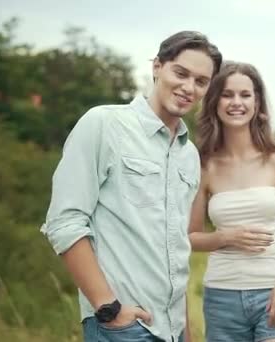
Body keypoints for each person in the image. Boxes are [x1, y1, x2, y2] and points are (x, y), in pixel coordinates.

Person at [40, 31, 222, 342]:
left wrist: (186, 333)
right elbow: (64, 221)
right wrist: (109, 308)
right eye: (181, 73)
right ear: (157, 67)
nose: (189, 87)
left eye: (201, 81)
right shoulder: (104, 124)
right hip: (123, 327)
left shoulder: (189, 155)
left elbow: (176, 250)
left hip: (174, 331)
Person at [188, 61, 275, 342]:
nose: (236, 102)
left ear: (258, 102)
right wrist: (225, 237)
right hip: (221, 297)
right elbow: (188, 237)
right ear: (215, 102)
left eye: (245, 95)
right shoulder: (202, 165)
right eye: (227, 95)